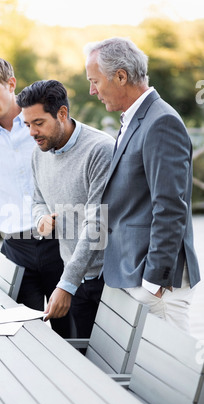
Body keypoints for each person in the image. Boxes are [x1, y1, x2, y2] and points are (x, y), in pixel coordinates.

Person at [85, 37, 201, 333]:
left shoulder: (161, 122)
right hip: (130, 273)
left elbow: (171, 207)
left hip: (155, 285)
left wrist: (154, 281)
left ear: (121, 76)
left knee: (176, 376)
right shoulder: (134, 119)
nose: (92, 90)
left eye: (95, 81)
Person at [0, 54, 70, 337]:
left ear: (11, 84)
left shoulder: (45, 120)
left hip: (59, 241)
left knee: (70, 334)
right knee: (23, 336)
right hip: (15, 248)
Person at [17, 80, 114, 338]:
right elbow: (37, 200)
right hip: (74, 275)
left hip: (108, 279)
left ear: (61, 113)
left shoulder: (100, 149)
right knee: (84, 363)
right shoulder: (39, 153)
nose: (32, 133)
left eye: (38, 123)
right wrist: (41, 219)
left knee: (109, 364)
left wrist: (66, 284)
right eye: (27, 125)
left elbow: (98, 224)